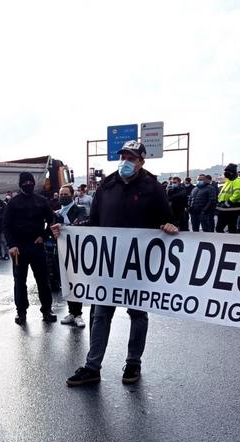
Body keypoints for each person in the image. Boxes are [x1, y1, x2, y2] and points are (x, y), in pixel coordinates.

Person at [52, 141, 178, 387]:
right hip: (108, 267)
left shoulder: (152, 187)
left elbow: (167, 220)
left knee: (137, 314)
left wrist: (169, 226)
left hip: (137, 266)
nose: (126, 162)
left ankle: (133, 362)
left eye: (131, 158)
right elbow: (94, 223)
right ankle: (92, 366)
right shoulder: (107, 186)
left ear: (141, 161)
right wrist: (67, 231)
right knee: (101, 315)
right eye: (123, 157)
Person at [3, 172, 57, 325]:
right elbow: (6, 226)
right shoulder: (12, 203)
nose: (28, 185)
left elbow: (51, 219)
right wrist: (11, 245)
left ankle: (47, 309)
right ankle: (21, 312)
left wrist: (44, 236)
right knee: (20, 282)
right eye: (25, 183)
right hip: (18, 249)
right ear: (20, 185)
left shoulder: (42, 201)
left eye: (30, 182)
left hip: (37, 246)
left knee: (43, 280)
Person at [55, 185, 88, 328]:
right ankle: (71, 312)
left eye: (65, 194)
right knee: (66, 282)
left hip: (76, 251)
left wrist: (63, 224)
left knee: (76, 281)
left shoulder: (80, 210)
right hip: (61, 252)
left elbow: (80, 224)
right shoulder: (56, 212)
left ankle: (78, 314)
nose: (62, 196)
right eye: (61, 194)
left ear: (72, 195)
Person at [216, 163, 240, 233]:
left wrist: (227, 203)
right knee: (220, 228)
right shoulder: (229, 181)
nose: (226, 173)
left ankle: (230, 242)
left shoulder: (238, 180)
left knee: (231, 228)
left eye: (228, 171)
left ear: (232, 172)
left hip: (232, 209)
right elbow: (223, 194)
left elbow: (238, 194)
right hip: (224, 209)